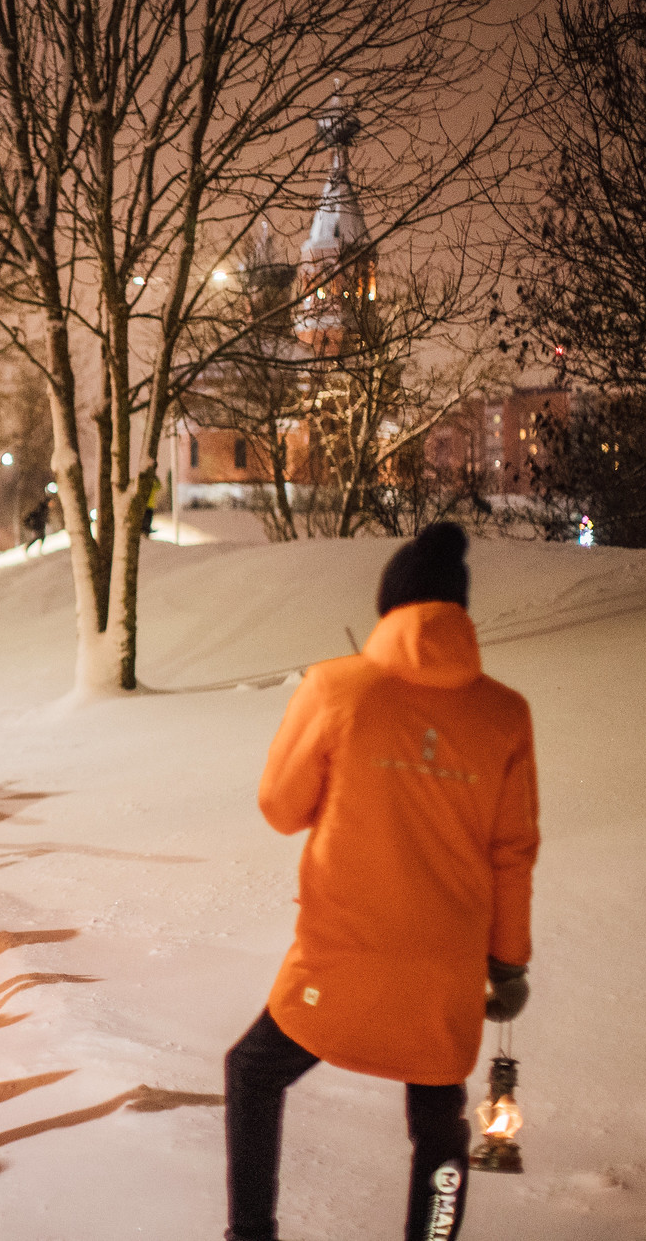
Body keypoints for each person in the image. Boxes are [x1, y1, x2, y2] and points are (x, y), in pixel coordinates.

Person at [222, 522, 540, 1241]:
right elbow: (512, 851)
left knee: (254, 1071)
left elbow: (280, 808)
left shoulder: (337, 685)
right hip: (444, 971)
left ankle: (250, 1234)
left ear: (388, 607)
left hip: (339, 963)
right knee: (439, 1121)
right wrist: (509, 962)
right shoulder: (504, 714)